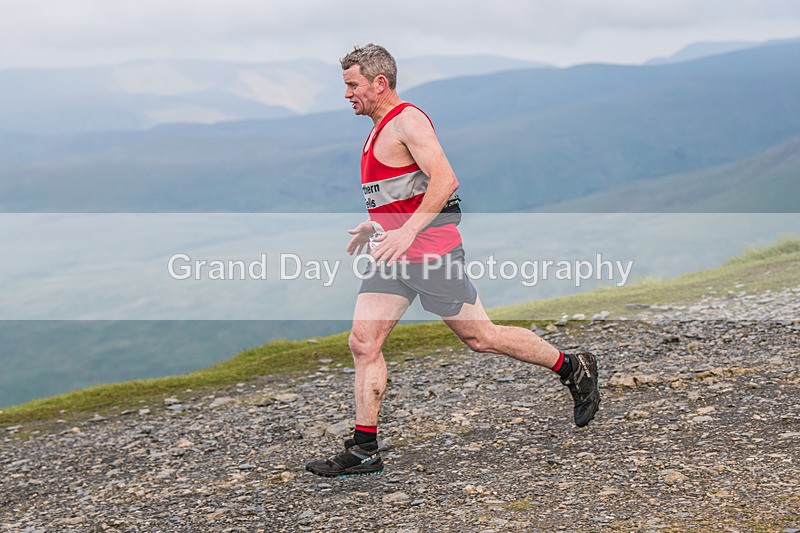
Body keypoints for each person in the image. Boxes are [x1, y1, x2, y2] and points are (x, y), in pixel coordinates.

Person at [305, 44, 600, 478]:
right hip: (393, 255)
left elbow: (446, 180)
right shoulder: (376, 129)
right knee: (363, 342)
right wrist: (379, 225)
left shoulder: (407, 120)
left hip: (431, 252)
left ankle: (573, 366)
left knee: (482, 337)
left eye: (352, 85)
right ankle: (365, 448)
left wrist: (407, 231)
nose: (346, 94)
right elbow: (403, 192)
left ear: (379, 83)